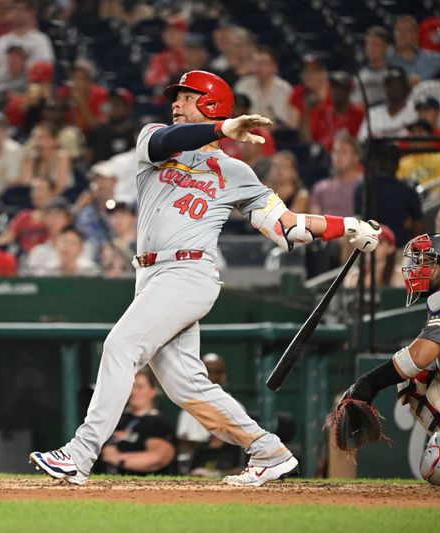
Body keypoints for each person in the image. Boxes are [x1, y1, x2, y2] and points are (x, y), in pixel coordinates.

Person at [29, 69, 382, 487]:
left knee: (121, 346)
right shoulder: (155, 139)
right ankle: (269, 452)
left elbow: (288, 228)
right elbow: (166, 141)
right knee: (187, 388)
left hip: (188, 272)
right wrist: (222, 128)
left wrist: (350, 226)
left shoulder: (235, 172)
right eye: (175, 97)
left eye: (186, 97)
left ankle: (80, 455)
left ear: (211, 102)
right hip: (150, 273)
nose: (175, 104)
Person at [339, 233, 440, 487]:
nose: (418, 269)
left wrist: (368, 384)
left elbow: (418, 355)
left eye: (427, 262)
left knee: (439, 462)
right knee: (414, 381)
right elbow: (418, 364)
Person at [94, 368, 176, 476]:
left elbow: (159, 458)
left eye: (140, 387)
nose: (133, 391)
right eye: (131, 386)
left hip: (141, 487)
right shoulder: (118, 418)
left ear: (153, 391)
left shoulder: (158, 422)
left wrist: (119, 459)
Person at [176, 353, 244, 477]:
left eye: (215, 372)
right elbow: (184, 446)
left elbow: (240, 448)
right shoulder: (188, 407)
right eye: (207, 372)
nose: (211, 376)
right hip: (197, 463)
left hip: (228, 463)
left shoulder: (235, 406)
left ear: (223, 376)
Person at [0, 0, 54, 80]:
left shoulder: (40, 40)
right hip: (0, 86)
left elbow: (45, 70)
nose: (17, 13)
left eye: (21, 9)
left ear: (31, 12)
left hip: (28, 87)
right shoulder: (1, 41)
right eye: (14, 8)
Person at [233, 46, 293, 126]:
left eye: (264, 63)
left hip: (276, 134)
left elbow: (286, 122)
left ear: (274, 66)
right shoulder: (243, 85)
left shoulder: (285, 89)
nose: (259, 67)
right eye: (256, 63)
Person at [0, 176, 55, 254]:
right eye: (34, 189)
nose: (36, 193)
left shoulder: (56, 218)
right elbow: (7, 237)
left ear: (51, 193)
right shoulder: (24, 216)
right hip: (25, 259)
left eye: (40, 189)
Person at [358, 67, 417, 142]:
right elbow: (362, 140)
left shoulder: (416, 111)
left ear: (406, 87)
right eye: (390, 85)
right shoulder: (373, 113)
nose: (394, 88)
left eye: (398, 84)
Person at [311, 135, 363, 217]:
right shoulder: (320, 188)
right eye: (335, 152)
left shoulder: (366, 186)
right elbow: (313, 222)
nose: (338, 156)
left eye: (344, 152)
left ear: (356, 157)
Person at [387, 15, 440, 84]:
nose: (402, 34)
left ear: (416, 35)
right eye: (398, 30)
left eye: (407, 30)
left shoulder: (432, 59)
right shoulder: (386, 58)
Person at [18, 122, 72, 192]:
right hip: (37, 199)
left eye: (42, 137)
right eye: (35, 138)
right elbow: (26, 185)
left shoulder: (62, 156)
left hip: (64, 196)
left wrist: (46, 201)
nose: (37, 142)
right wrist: (28, 161)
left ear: (55, 140)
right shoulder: (31, 157)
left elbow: (60, 189)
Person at [355, 26, 392, 108]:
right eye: (368, 44)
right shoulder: (359, 74)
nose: (371, 48)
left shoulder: (393, 74)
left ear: (386, 48)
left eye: (376, 44)